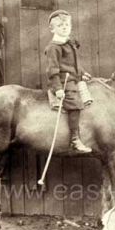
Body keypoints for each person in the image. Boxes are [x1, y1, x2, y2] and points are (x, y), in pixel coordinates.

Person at [45, 10, 92, 153]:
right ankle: (75, 139)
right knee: (76, 103)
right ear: (52, 29)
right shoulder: (54, 47)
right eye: (60, 25)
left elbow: (73, 64)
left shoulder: (69, 43)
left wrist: (82, 73)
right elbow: (53, 70)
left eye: (66, 24)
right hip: (62, 82)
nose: (64, 27)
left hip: (73, 79)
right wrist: (58, 88)